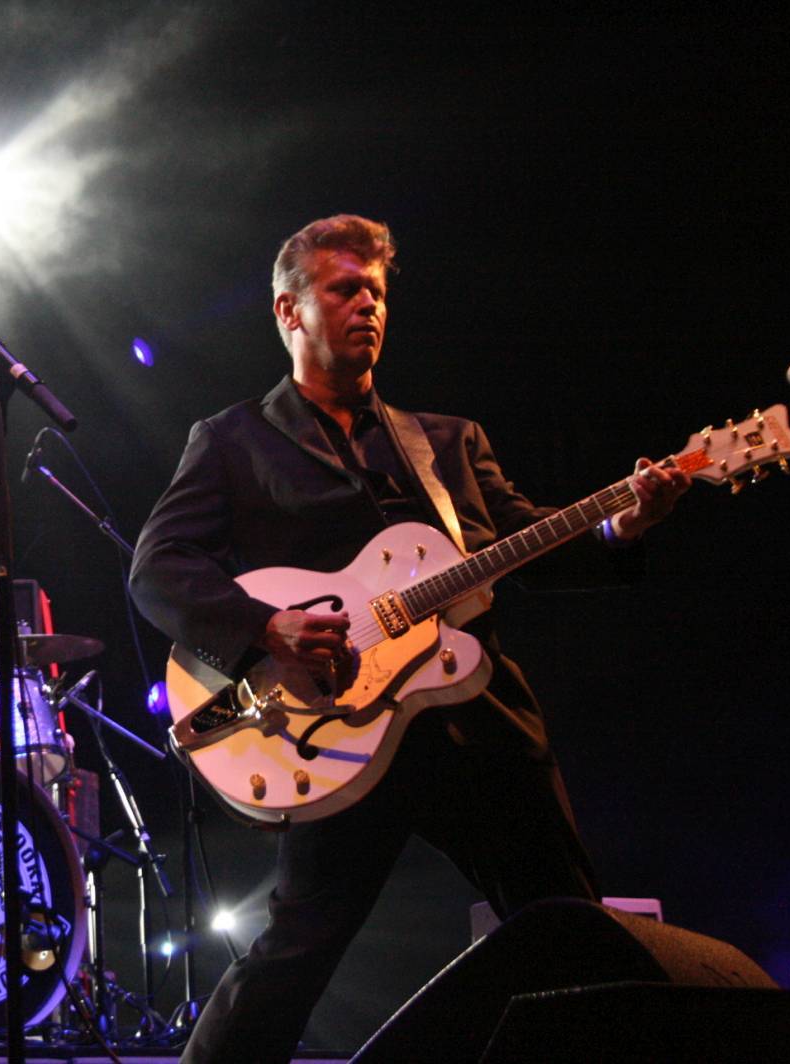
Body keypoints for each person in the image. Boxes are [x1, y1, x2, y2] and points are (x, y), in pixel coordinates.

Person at [129, 213, 690, 1062]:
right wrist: (267, 627)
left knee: (568, 924)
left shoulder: (448, 442)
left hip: (476, 723)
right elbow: (158, 568)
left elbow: (529, 544)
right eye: (344, 289)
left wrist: (621, 527)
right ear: (288, 310)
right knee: (294, 954)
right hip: (337, 729)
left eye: (378, 292)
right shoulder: (233, 440)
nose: (369, 306)